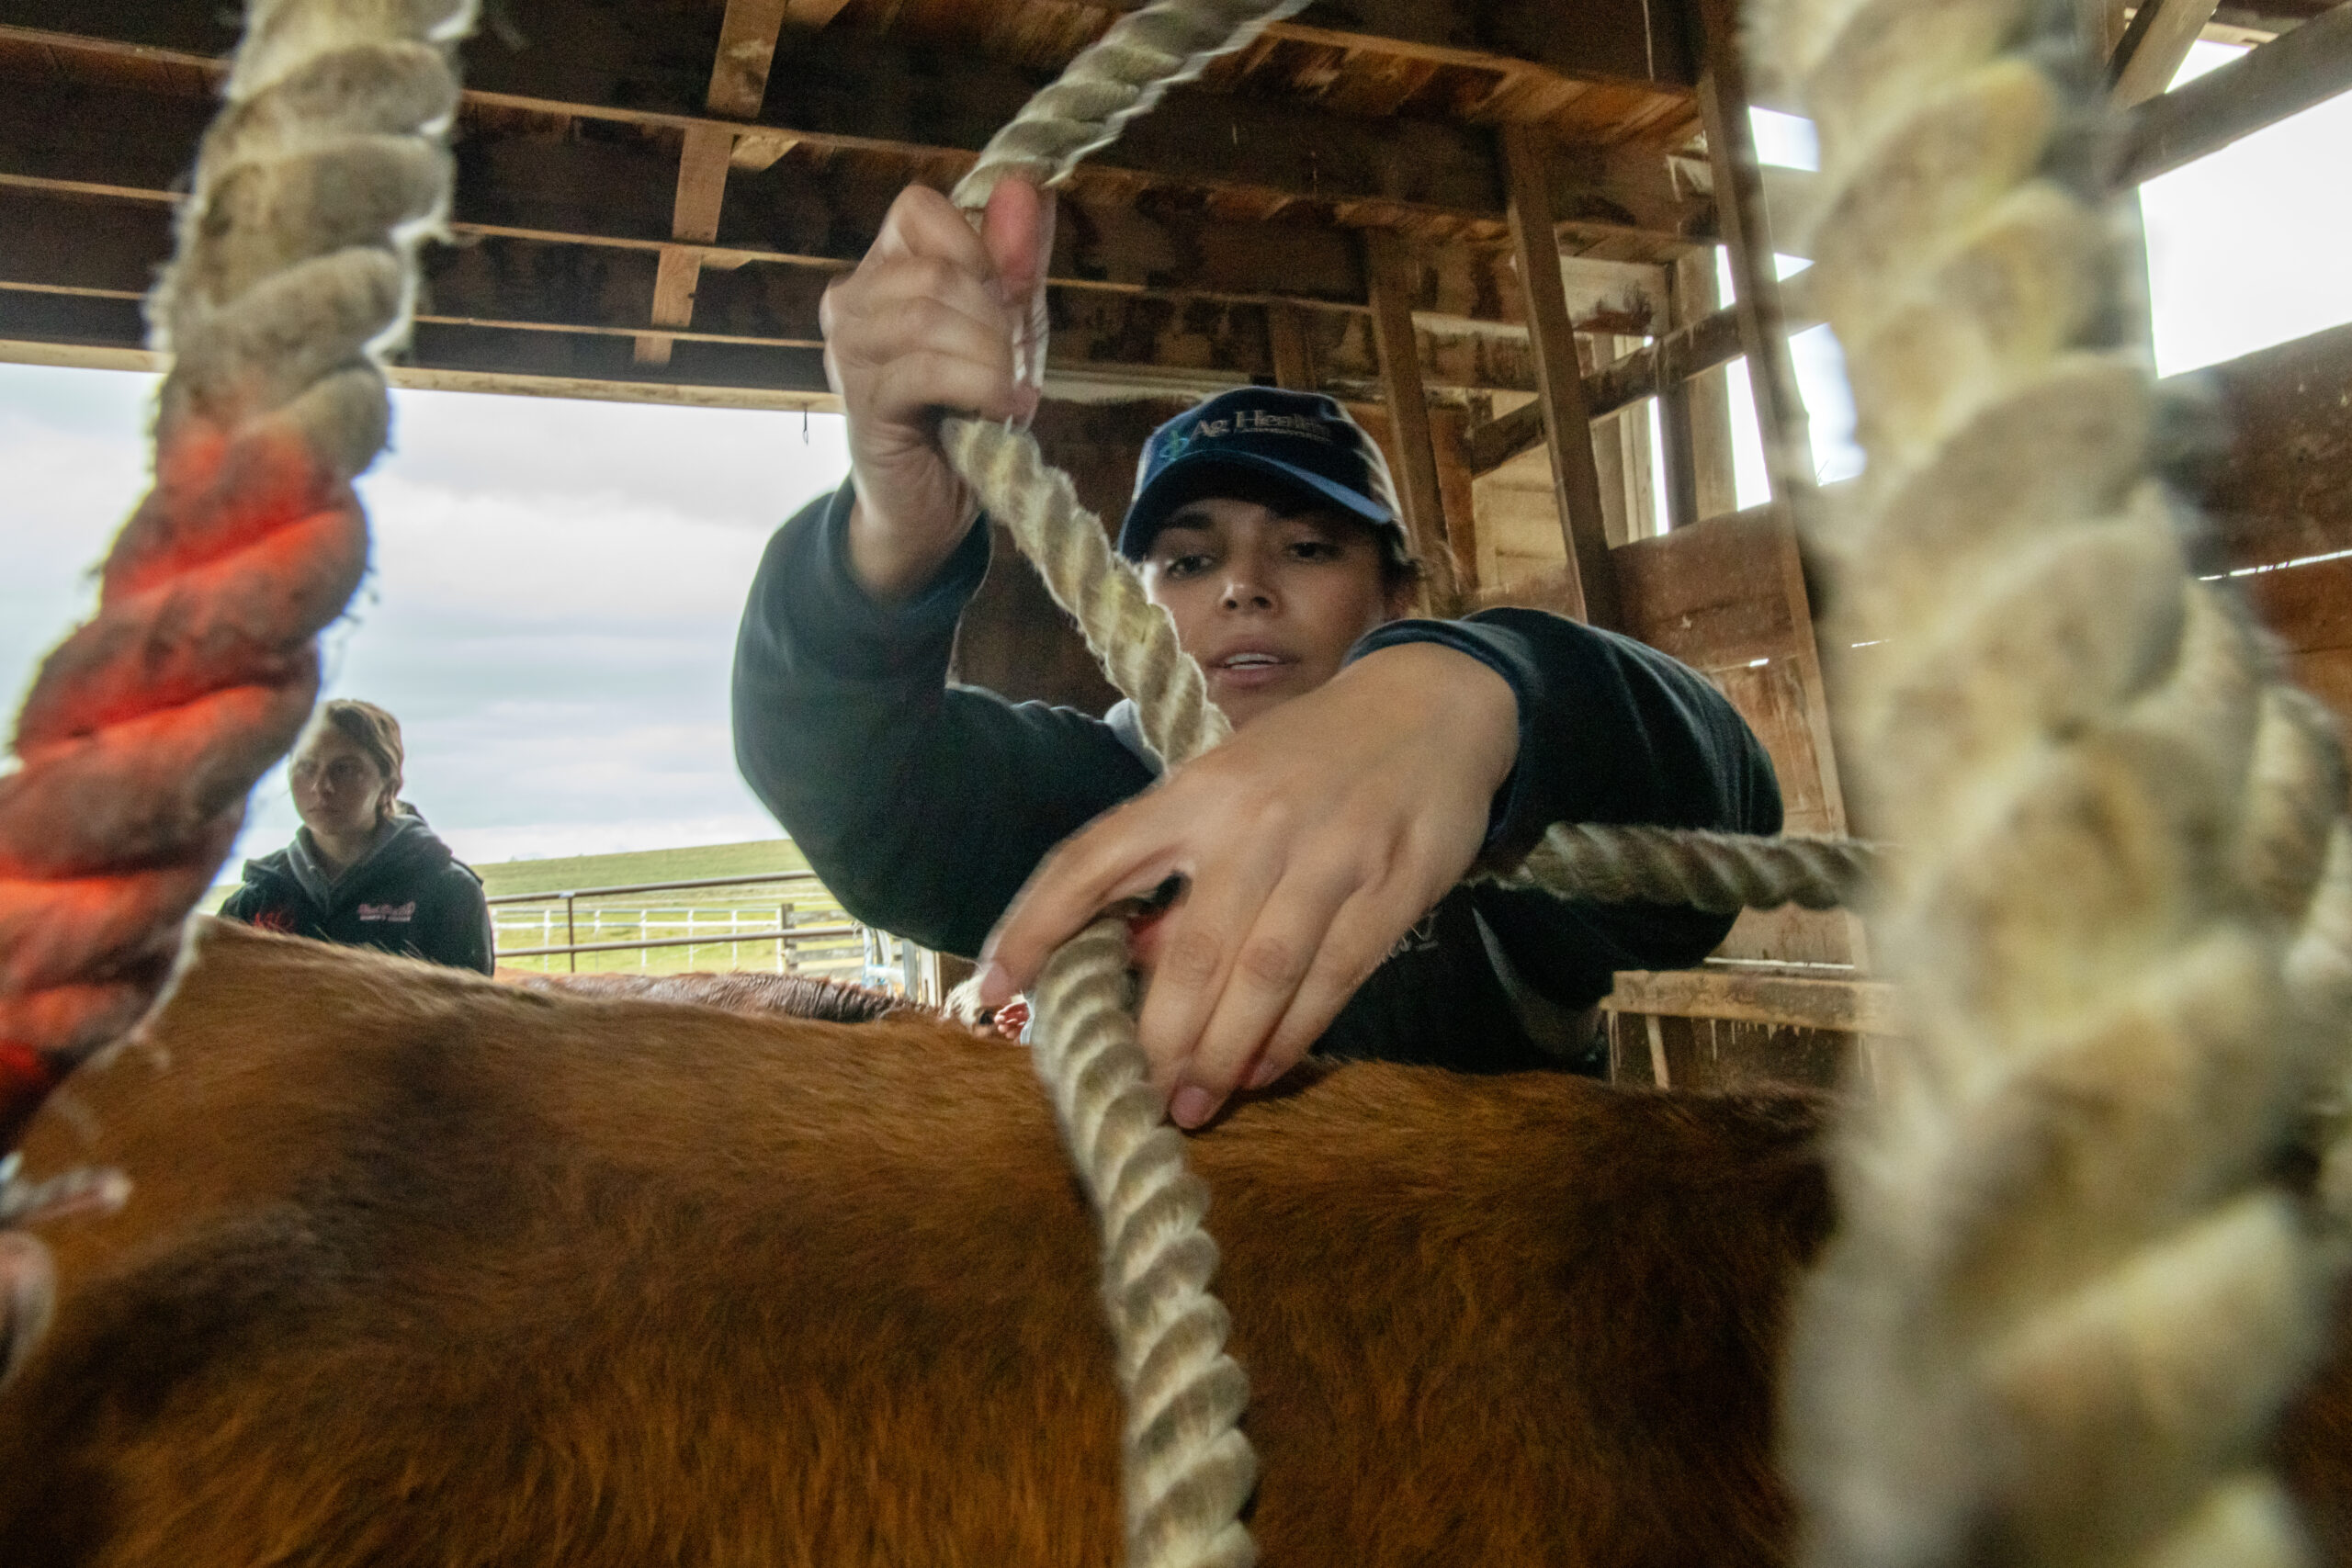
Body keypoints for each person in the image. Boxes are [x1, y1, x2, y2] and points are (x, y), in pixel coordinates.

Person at [732, 180, 1781, 1126]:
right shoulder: (1089, 796)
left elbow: (1721, 799)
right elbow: (854, 782)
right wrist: (890, 529)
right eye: (1189, 561)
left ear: (1400, 593)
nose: (1242, 584)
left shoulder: (1501, 802)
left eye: (1309, 546)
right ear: (1136, 604)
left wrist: (1474, 697)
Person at [220, 699, 495, 975]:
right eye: (305, 766)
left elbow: (470, 1012)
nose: (321, 786)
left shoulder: (447, 892)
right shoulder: (257, 898)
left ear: (389, 785)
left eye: (344, 769)